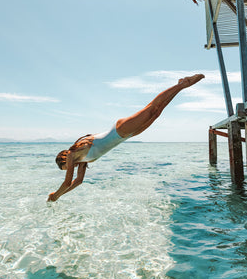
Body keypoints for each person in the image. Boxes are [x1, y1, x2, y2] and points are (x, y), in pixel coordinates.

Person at [47, 74, 205, 202]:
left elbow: (67, 182)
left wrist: (55, 196)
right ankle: (180, 86)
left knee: (150, 108)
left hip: (119, 129)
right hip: (127, 136)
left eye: (66, 168)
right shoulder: (82, 161)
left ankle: (183, 84)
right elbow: (78, 181)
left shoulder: (71, 154)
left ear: (63, 158)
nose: (70, 169)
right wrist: (61, 195)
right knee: (156, 113)